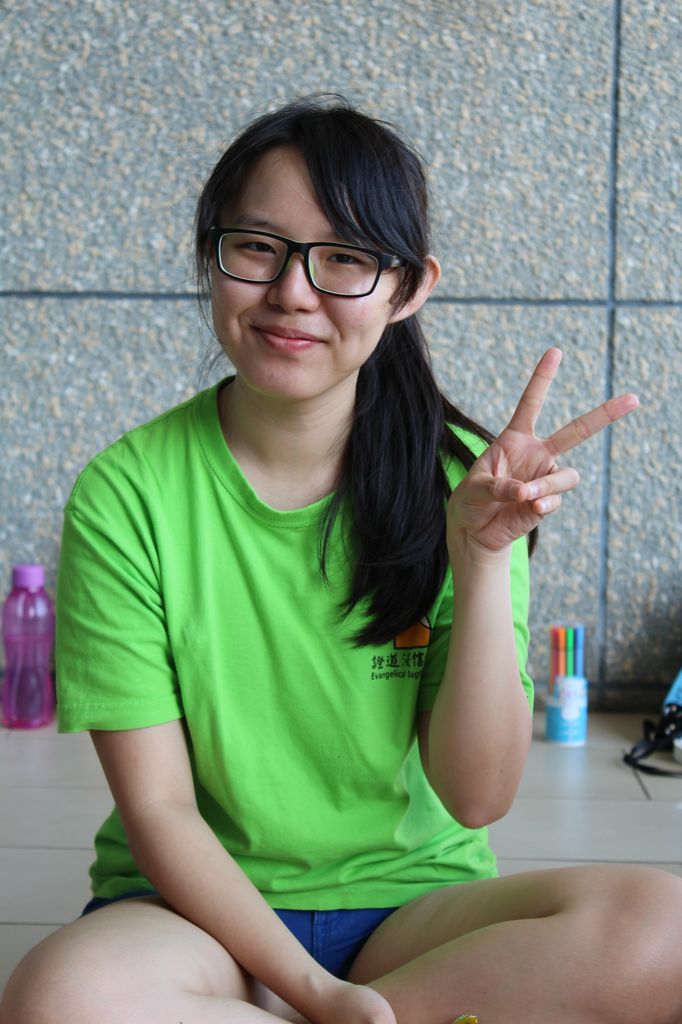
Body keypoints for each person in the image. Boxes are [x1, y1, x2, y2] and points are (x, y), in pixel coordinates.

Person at [2, 96, 681, 1024]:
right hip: (195, 918)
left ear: (408, 288)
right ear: (211, 257)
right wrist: (319, 995)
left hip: (411, 911)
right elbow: (160, 812)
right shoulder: (127, 495)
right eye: (257, 247)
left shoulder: (469, 485)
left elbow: (478, 797)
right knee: (59, 999)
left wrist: (482, 559)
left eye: (345, 259)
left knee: (663, 928)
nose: (293, 291)